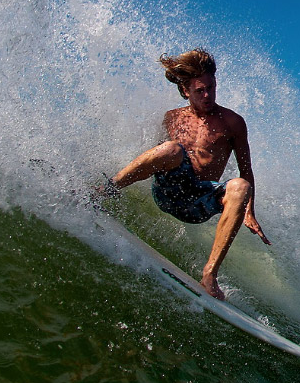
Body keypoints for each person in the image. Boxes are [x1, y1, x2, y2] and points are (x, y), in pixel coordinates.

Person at [97, 48, 270, 300]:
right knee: (170, 148)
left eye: (211, 87)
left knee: (241, 186)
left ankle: (210, 276)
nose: (207, 95)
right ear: (185, 90)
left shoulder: (233, 122)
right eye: (200, 90)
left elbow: (247, 171)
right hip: (168, 192)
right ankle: (105, 190)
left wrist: (249, 211)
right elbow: (153, 158)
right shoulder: (172, 118)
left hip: (199, 201)